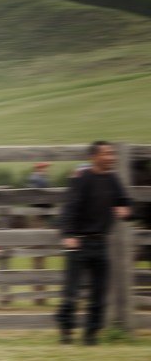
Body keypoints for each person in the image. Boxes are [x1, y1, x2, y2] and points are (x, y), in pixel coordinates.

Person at [54, 141, 132, 346]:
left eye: (112, 154)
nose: (111, 157)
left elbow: (125, 201)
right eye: (107, 154)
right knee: (72, 293)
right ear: (94, 157)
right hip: (78, 243)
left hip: (101, 243)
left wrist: (126, 211)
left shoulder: (113, 179)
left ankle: (91, 335)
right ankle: (66, 331)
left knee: (99, 294)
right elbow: (69, 208)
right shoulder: (82, 179)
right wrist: (68, 234)